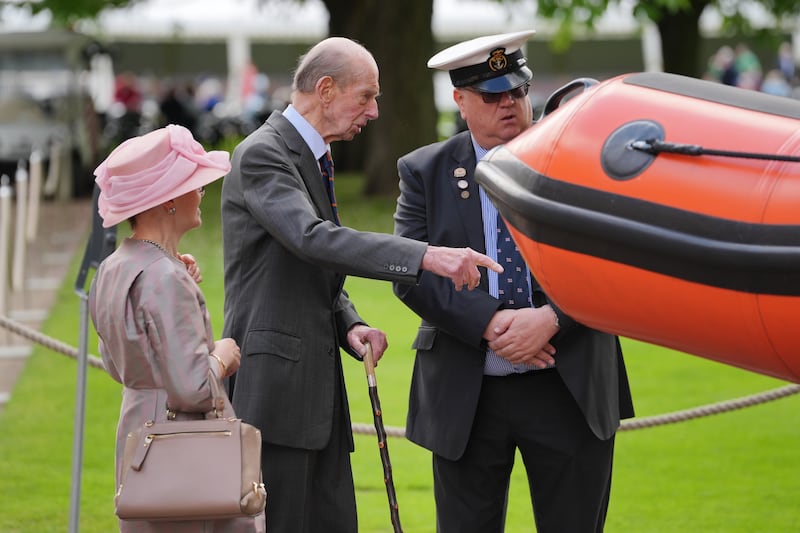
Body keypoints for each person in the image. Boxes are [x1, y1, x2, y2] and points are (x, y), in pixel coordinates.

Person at [220, 37, 503, 533]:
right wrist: (426, 255)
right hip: (276, 392)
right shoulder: (262, 154)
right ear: (325, 90)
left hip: (316, 392)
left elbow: (310, 267)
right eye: (366, 96)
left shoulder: (313, 155)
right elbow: (312, 239)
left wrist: (350, 323)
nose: (373, 112)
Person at [393, 30, 635, 533]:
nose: (510, 104)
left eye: (518, 91)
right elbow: (413, 273)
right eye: (492, 95)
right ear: (460, 100)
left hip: (568, 383)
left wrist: (551, 319)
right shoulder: (424, 171)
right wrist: (493, 322)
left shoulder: (577, 159)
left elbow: (610, 258)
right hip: (468, 392)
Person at [88, 124, 266, 533]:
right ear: (168, 200)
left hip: (139, 435)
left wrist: (170, 266)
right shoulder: (163, 277)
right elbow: (191, 388)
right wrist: (222, 356)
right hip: (182, 443)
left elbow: (117, 365)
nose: (202, 192)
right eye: (194, 183)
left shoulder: (116, 267)